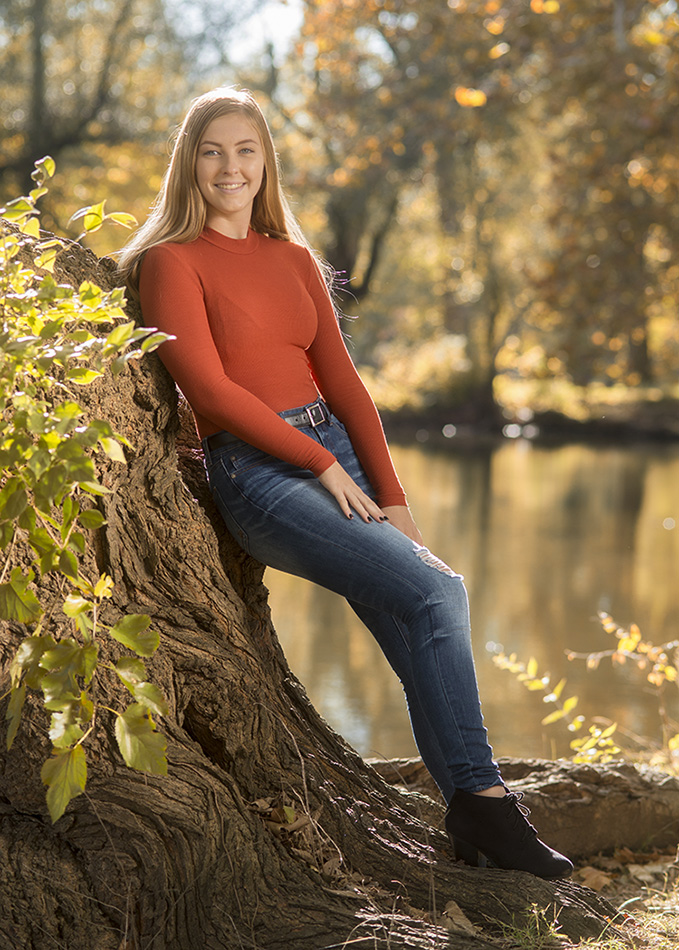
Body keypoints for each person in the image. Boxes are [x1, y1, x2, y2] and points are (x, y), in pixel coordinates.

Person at [118, 87, 572, 879]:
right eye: (213, 150)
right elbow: (213, 393)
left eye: (246, 150)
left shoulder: (294, 259)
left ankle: (473, 815)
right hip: (259, 470)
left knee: (414, 619)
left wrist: (391, 496)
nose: (231, 167)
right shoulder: (169, 262)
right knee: (440, 594)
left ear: (266, 163)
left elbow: (347, 385)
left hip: (337, 451)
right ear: (189, 162)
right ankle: (487, 805)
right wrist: (317, 461)